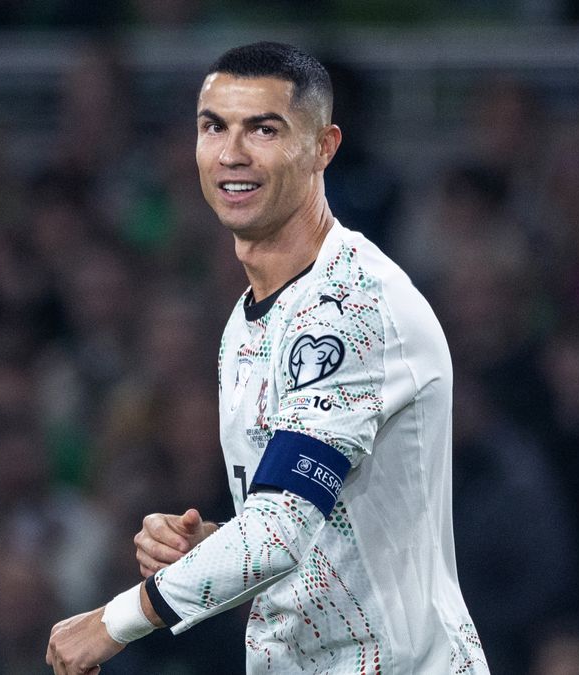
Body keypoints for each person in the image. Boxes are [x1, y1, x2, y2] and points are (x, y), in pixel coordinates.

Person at [47, 41, 489, 674]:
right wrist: (214, 551)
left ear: (323, 148)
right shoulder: (248, 321)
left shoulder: (351, 306)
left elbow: (277, 533)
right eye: (214, 127)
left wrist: (113, 622)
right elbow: (304, 531)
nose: (232, 153)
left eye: (264, 129)